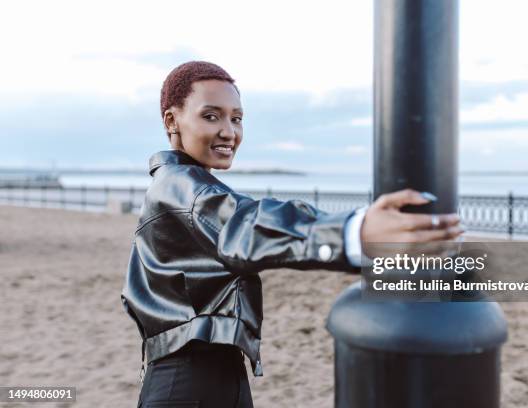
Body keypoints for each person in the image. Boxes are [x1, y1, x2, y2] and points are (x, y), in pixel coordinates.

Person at [121, 61, 463, 407]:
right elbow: (245, 224)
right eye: (211, 116)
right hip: (189, 381)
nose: (228, 131)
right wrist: (352, 233)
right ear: (171, 120)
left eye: (236, 119)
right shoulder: (181, 188)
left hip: (215, 374)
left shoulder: (184, 186)